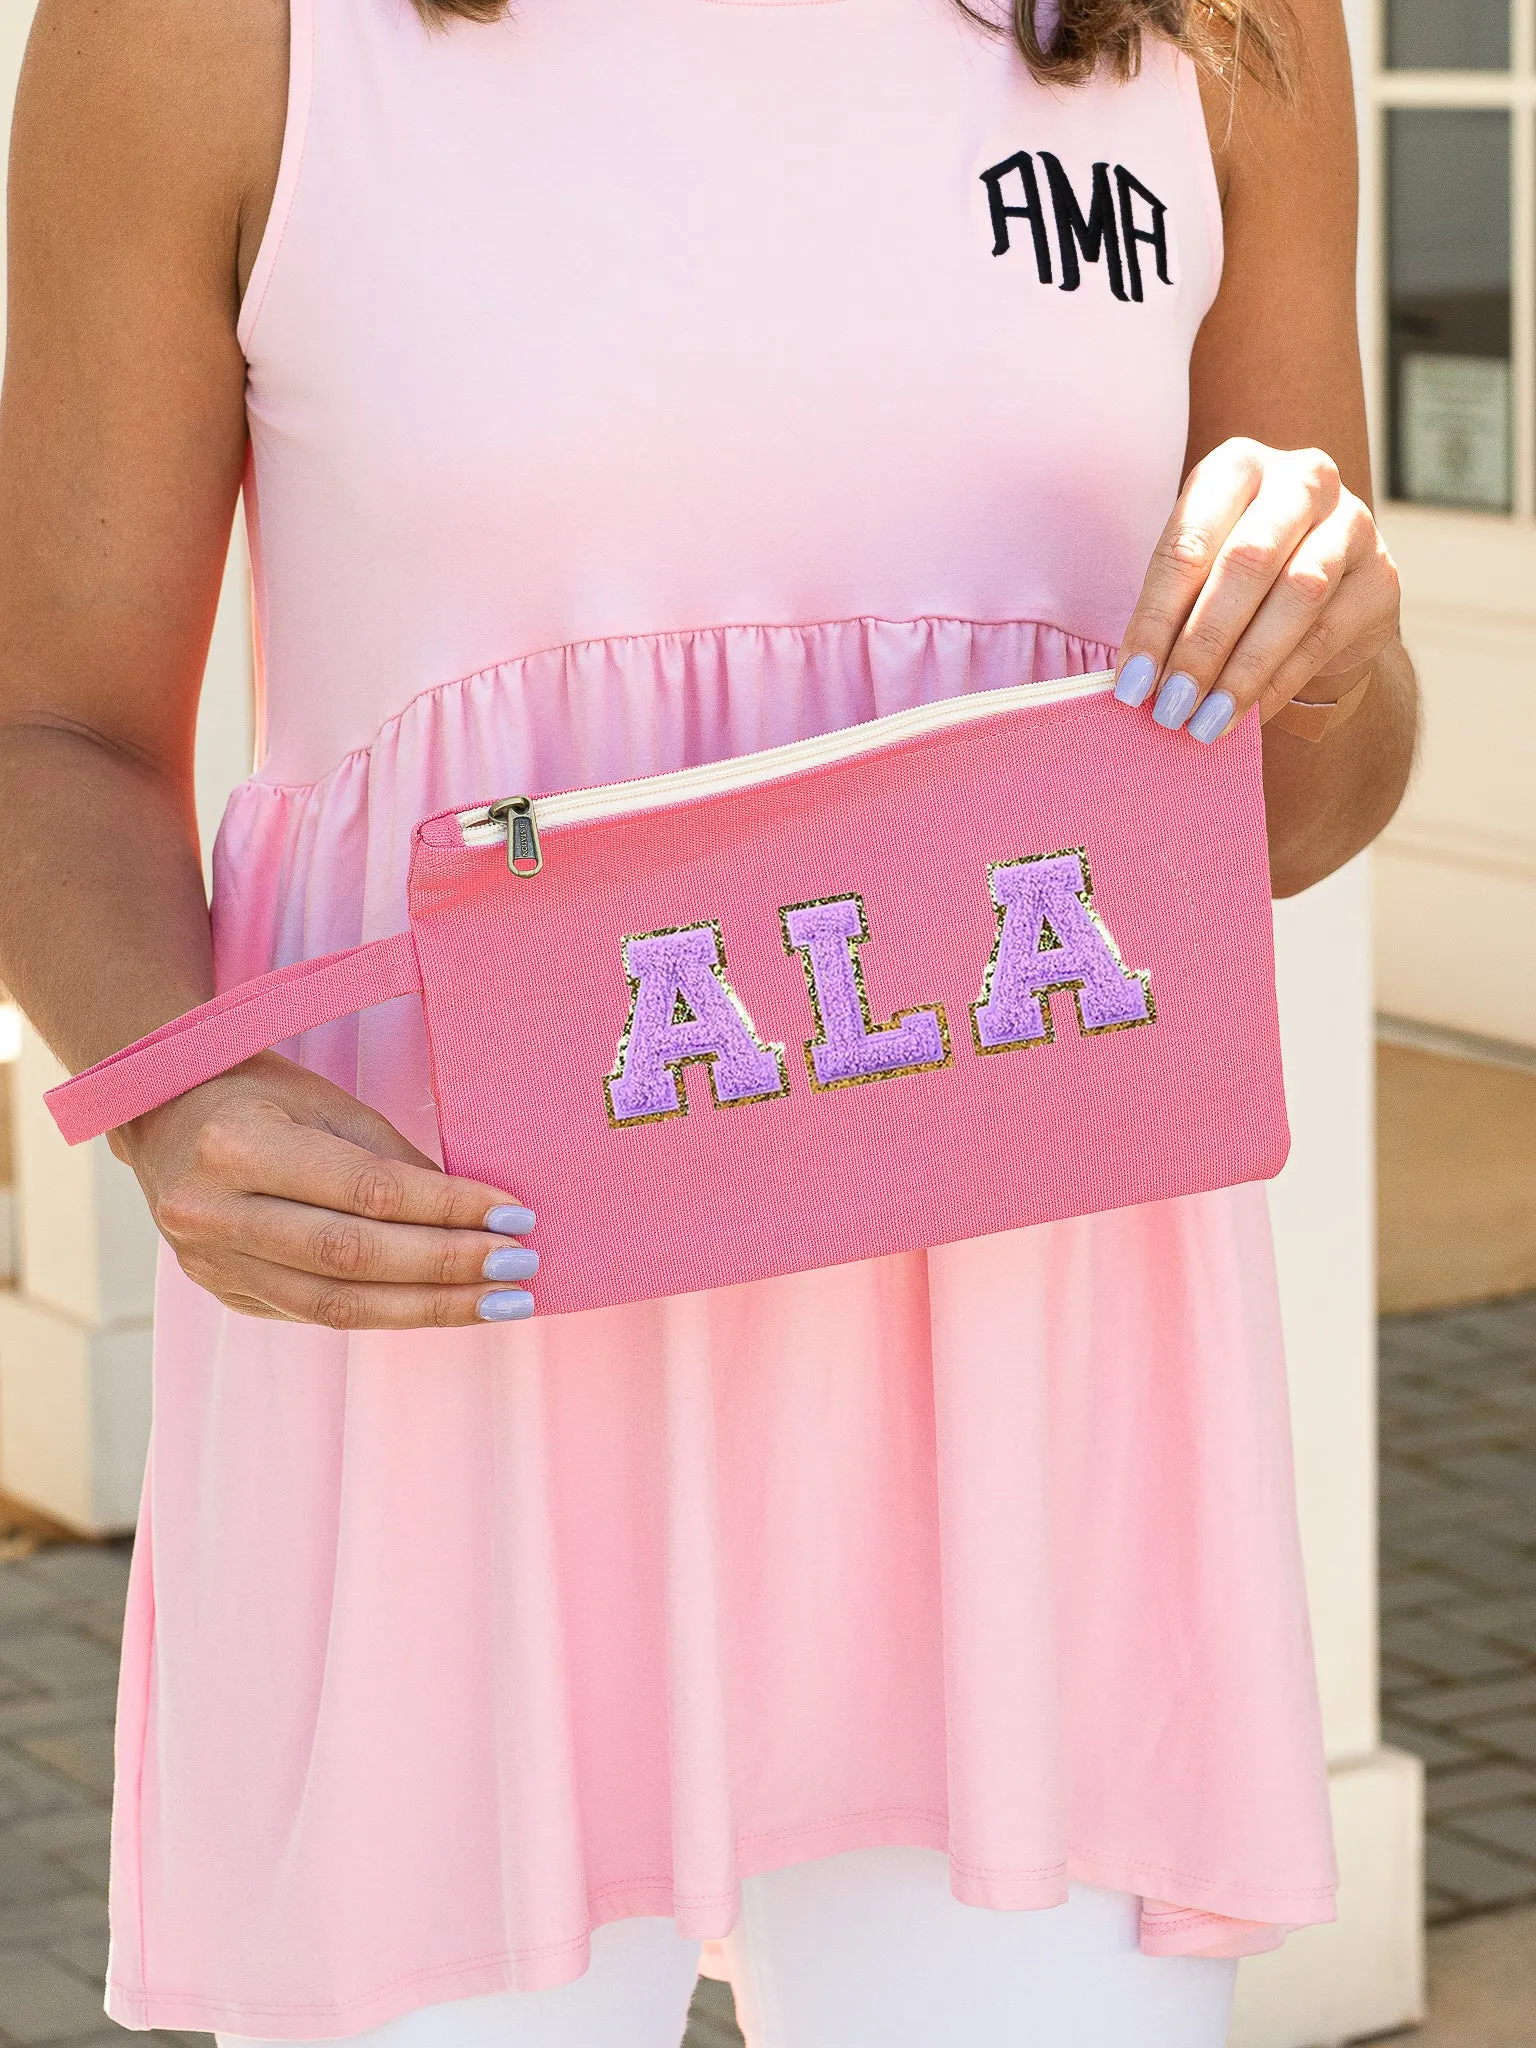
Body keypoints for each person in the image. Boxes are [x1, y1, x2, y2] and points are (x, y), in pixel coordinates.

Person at [0, 0, 1416, 2041]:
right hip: (459, 1329)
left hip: (1020, 1384)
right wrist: (166, 1082)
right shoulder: (210, 31)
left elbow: (1299, 802)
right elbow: (51, 732)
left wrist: (1330, 643)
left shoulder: (1226, 32)